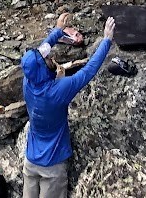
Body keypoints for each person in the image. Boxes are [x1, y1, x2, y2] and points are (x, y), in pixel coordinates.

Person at [20, 13, 115, 197]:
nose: (49, 56)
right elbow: (88, 71)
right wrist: (106, 40)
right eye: (46, 58)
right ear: (41, 68)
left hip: (30, 161)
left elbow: (41, 53)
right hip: (52, 165)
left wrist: (58, 30)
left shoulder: (28, 81)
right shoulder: (58, 90)